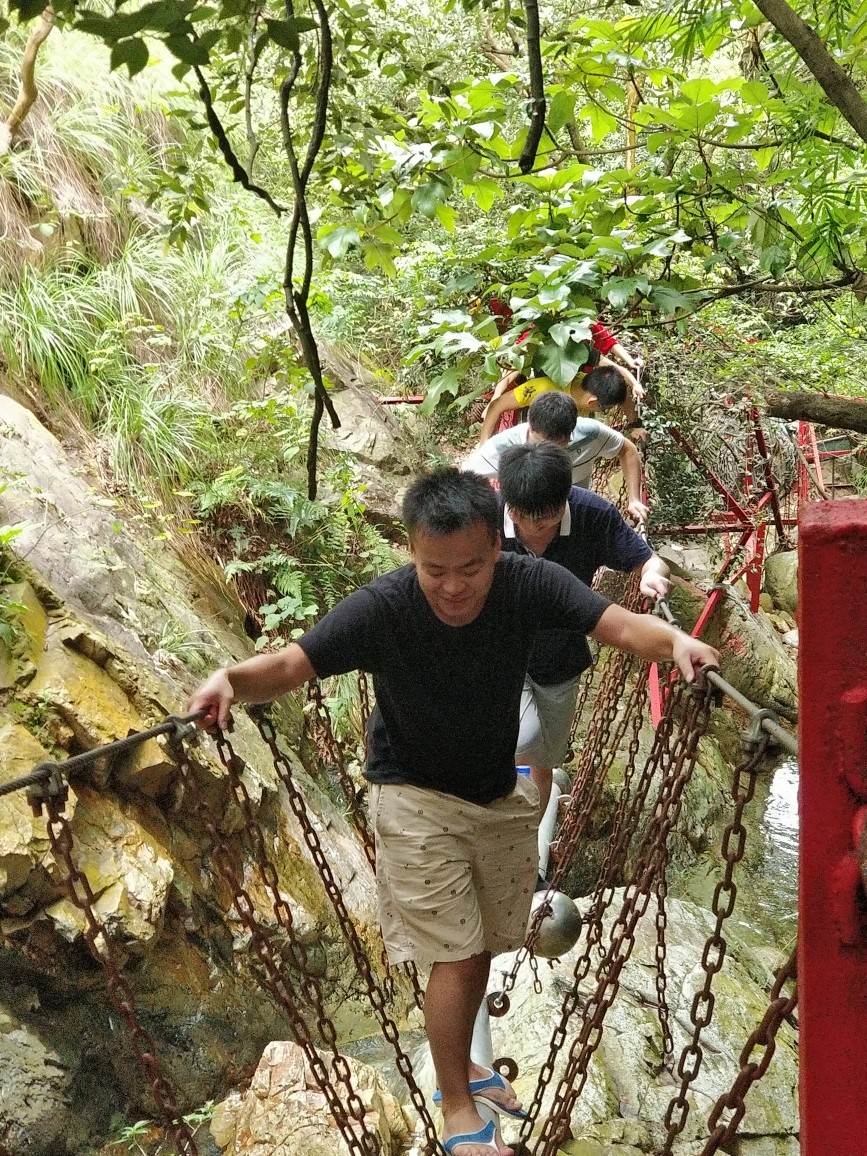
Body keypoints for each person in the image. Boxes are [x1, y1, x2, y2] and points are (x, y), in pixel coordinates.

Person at [188, 468, 717, 1156]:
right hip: (411, 792)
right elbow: (292, 666)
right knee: (459, 953)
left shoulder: (527, 582)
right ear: (412, 552)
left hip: (494, 790)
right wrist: (229, 679)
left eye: (470, 566)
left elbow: (616, 625)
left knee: (490, 942)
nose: (453, 585)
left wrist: (676, 643)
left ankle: (459, 1067)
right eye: (434, 569)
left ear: (495, 548)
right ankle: (457, 1111)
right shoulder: (383, 607)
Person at [497, 441, 671, 811]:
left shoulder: (593, 514)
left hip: (561, 655)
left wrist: (652, 577)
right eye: (523, 518)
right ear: (509, 505)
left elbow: (648, 561)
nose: (534, 529)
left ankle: (532, 839)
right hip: (499, 651)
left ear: (566, 500)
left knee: (546, 758)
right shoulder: (486, 518)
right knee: (518, 738)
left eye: (545, 520)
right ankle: (502, 822)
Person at [462, 392, 649, 524]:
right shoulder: (506, 445)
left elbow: (627, 450)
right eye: (539, 443)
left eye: (555, 446)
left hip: (571, 514)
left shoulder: (590, 434)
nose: (546, 453)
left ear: (568, 437)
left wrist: (634, 499)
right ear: (530, 427)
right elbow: (464, 478)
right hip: (524, 519)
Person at [477, 364, 643, 445]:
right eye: (603, 409)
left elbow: (623, 396)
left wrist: (634, 424)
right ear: (592, 402)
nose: (603, 411)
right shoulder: (543, 389)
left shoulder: (589, 381)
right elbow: (497, 405)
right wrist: (483, 447)